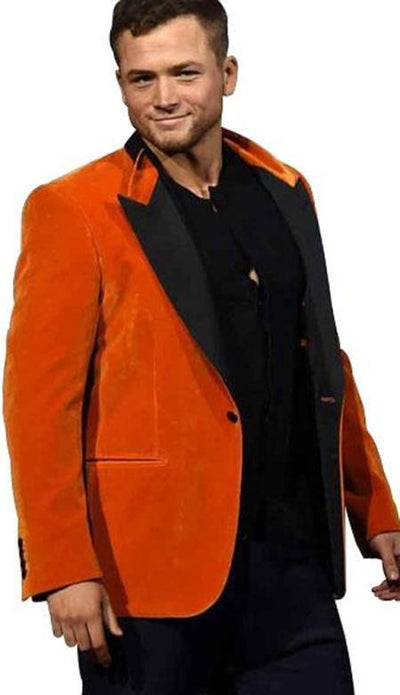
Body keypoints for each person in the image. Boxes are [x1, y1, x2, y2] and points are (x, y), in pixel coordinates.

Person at [3, 1, 400, 692]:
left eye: (184, 73)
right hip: (147, 578)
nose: (163, 97)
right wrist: (62, 566)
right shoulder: (74, 208)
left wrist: (374, 513)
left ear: (228, 73)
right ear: (120, 83)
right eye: (142, 78)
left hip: (291, 567)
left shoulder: (285, 190)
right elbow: (39, 406)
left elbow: (322, 364)